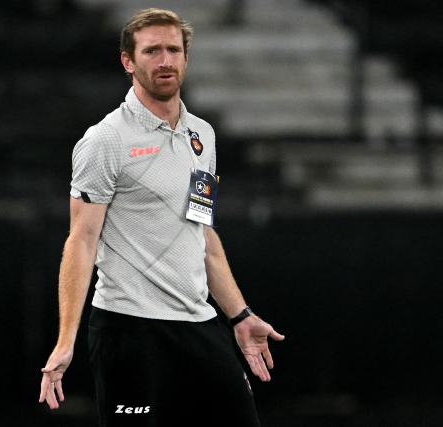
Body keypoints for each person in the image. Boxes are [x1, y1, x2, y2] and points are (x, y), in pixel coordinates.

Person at [38, 8, 284, 426]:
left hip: (200, 326)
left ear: (186, 58)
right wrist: (66, 341)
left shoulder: (202, 136)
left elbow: (201, 234)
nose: (165, 60)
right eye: (152, 50)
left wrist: (239, 315)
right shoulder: (105, 141)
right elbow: (81, 240)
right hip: (129, 333)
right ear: (128, 61)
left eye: (174, 49)